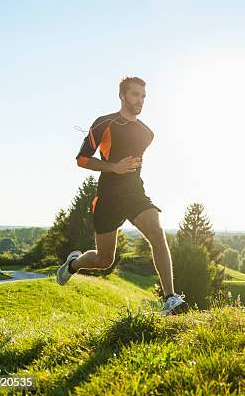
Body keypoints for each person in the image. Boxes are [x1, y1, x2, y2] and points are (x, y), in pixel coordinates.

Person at [56, 76, 187, 316]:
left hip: (135, 193)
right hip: (108, 197)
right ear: (123, 95)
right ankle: (74, 263)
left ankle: (170, 299)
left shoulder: (147, 133)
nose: (140, 100)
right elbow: (82, 159)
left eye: (144, 96)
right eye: (136, 94)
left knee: (157, 234)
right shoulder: (104, 123)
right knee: (105, 259)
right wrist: (114, 167)